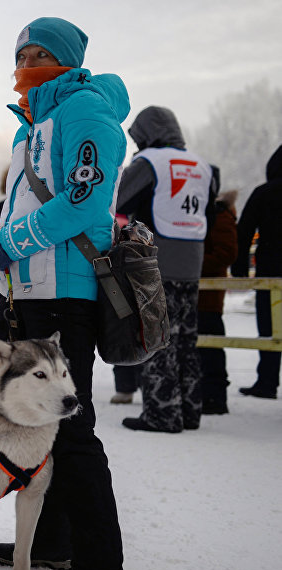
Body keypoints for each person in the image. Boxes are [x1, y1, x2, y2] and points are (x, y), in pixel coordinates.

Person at [0, 17, 128, 570]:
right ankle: (56, 541)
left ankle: (102, 569)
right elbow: (23, 207)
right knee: (33, 424)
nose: (29, 62)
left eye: (41, 53)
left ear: (69, 58)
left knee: (70, 426)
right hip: (23, 295)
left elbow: (84, 204)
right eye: (22, 54)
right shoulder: (30, 123)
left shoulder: (86, 111)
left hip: (64, 296)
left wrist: (11, 239)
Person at [116, 106, 216, 432]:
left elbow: (117, 200)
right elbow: (209, 214)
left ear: (147, 133)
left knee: (156, 337)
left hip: (155, 264)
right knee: (186, 340)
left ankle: (162, 413)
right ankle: (189, 411)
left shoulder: (150, 162)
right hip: (192, 262)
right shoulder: (202, 166)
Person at [232, 143, 282, 400]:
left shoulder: (264, 193)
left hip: (271, 271)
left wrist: (239, 268)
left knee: (271, 329)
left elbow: (244, 231)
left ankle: (267, 382)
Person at [198, 189, 239, 414]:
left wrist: (192, 262)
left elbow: (227, 253)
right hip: (199, 291)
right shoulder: (207, 211)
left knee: (210, 346)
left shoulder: (219, 213)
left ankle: (214, 398)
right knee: (202, 346)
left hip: (208, 294)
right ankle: (207, 396)